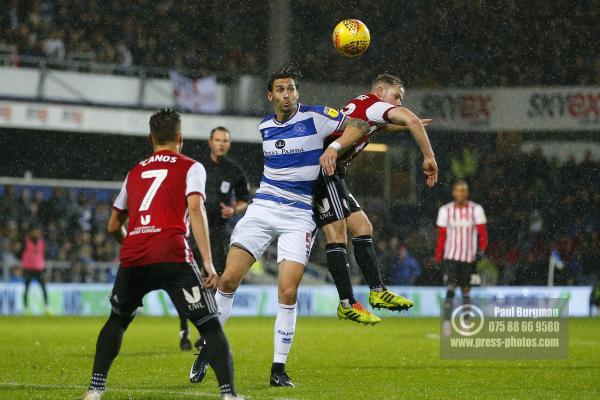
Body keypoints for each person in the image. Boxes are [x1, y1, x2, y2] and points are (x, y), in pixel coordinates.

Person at [189, 63, 370, 388]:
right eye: (281, 90)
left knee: (287, 291)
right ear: (270, 95)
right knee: (228, 279)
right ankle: (208, 348)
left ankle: (278, 369)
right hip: (263, 209)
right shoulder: (264, 127)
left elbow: (359, 125)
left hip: (299, 215)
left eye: (292, 89)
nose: (287, 95)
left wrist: (334, 146)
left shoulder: (317, 117)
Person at [81, 109, 240, 400]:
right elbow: (195, 208)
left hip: (135, 254)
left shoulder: (135, 172)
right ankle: (229, 395)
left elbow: (113, 225)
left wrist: (133, 242)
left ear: (150, 138)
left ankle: (94, 389)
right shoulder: (191, 167)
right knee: (208, 323)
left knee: (117, 320)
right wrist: (207, 262)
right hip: (172, 252)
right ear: (180, 137)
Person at [313, 74, 438, 324]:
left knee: (362, 227)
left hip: (333, 171)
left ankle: (377, 292)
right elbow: (410, 119)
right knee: (337, 235)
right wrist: (428, 156)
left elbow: (381, 124)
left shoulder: (364, 105)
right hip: (323, 171)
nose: (399, 104)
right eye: (396, 97)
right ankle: (347, 303)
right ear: (380, 91)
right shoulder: (377, 105)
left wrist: (405, 124)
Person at [178, 126, 250, 351]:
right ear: (209, 142)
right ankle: (184, 329)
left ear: (229, 144)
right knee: (189, 282)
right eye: (217, 140)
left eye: (225, 140)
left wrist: (234, 210)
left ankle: (206, 334)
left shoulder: (234, 170)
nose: (221, 144)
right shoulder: (196, 168)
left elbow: (244, 200)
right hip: (195, 232)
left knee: (216, 281)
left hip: (219, 233)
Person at [435, 180, 487, 335]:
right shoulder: (446, 210)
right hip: (451, 257)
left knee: (466, 290)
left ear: (467, 193)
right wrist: (438, 257)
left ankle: (466, 322)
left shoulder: (476, 210)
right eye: (458, 191)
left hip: (468, 258)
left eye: (463, 191)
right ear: (453, 193)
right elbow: (442, 236)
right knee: (450, 289)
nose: (460, 193)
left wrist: (481, 251)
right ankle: (446, 324)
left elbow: (483, 234)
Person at [21, 226, 50, 314]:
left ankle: (46, 307)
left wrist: (43, 267)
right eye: (35, 231)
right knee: (26, 288)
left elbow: (44, 255)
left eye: (38, 231)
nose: (36, 233)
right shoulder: (25, 242)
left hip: (39, 269)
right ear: (30, 232)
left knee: (44, 288)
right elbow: (20, 253)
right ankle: (25, 308)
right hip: (28, 269)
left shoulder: (42, 242)